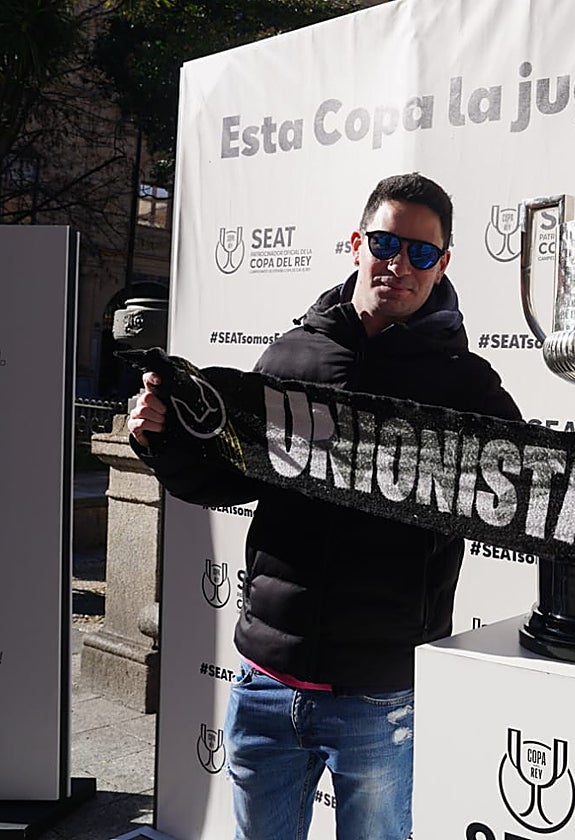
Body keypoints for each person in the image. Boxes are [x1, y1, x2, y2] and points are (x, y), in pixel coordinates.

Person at [129, 173, 522, 839]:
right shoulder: (292, 355)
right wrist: (159, 441)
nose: (400, 264)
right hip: (264, 681)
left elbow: (534, 494)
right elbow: (226, 480)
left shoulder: (466, 384)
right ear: (357, 243)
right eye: (385, 243)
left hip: (380, 695)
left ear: (443, 264)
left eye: (421, 252)